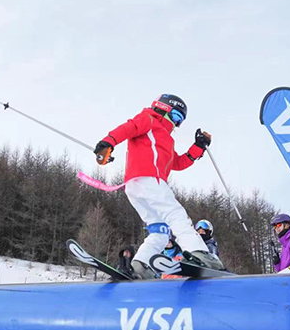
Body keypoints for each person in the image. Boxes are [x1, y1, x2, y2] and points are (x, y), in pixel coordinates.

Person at [93, 94, 221, 279]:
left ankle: (140, 264)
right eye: (176, 117)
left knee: (160, 231)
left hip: (136, 187)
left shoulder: (165, 139)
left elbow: (177, 163)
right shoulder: (149, 119)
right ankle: (199, 253)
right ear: (164, 108)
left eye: (180, 122)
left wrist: (198, 147)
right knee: (176, 215)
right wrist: (107, 144)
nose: (176, 124)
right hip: (149, 180)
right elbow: (129, 128)